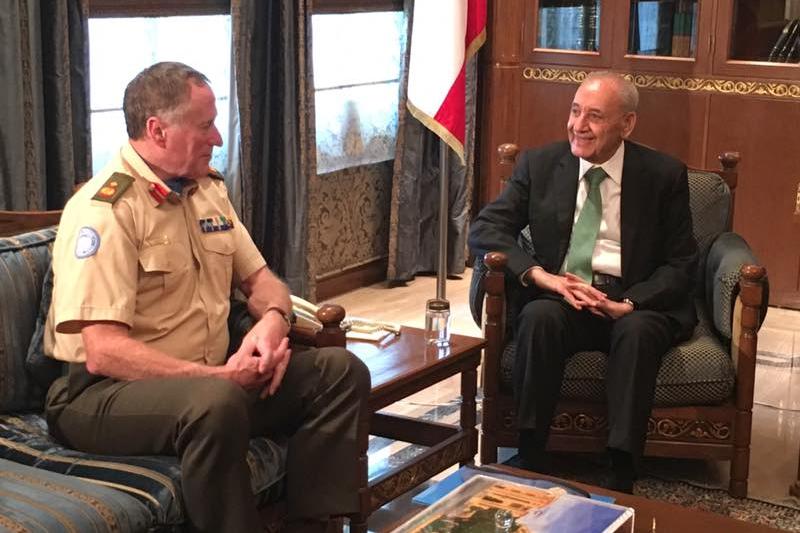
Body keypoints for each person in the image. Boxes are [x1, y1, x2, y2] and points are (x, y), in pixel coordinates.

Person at [43, 61, 371, 532]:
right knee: (216, 403)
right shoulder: (106, 210)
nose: (217, 138)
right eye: (205, 126)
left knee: (340, 372)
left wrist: (272, 324)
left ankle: (314, 523)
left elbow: (263, 282)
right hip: (102, 395)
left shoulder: (206, 192)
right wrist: (218, 378)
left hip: (210, 385)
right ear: (157, 130)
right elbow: (103, 351)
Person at [468, 71, 698, 493]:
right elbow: (486, 228)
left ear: (627, 124)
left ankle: (622, 468)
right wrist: (542, 277)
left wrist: (629, 303)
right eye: (575, 111)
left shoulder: (663, 175)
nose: (578, 125)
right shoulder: (540, 165)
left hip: (633, 298)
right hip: (565, 293)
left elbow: (682, 263)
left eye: (594, 116)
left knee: (637, 332)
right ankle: (530, 452)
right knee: (538, 318)